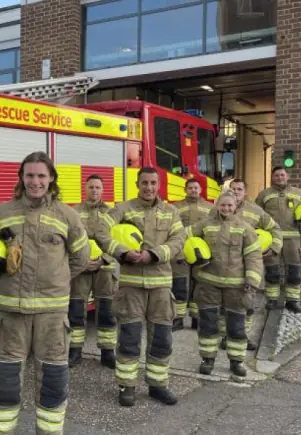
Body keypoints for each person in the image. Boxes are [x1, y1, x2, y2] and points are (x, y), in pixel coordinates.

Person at [0, 151, 90, 435]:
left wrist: (56, 277)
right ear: (21, 177)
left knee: (53, 384)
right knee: (5, 384)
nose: (35, 181)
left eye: (41, 175)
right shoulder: (0, 214)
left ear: (51, 178)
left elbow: (81, 257)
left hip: (52, 316)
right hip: (11, 315)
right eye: (30, 175)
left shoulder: (67, 215)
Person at [94, 166, 186, 407]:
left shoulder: (171, 212)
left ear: (159, 185)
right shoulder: (123, 209)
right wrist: (122, 252)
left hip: (161, 286)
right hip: (131, 286)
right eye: (144, 183)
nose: (149, 187)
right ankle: (127, 386)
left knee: (162, 339)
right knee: (129, 337)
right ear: (137, 184)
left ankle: (158, 385)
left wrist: (154, 255)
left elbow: (178, 241)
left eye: (153, 183)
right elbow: (101, 232)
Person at [186, 190, 264, 377]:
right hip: (208, 285)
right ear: (217, 205)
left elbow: (254, 256)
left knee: (236, 327)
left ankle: (236, 362)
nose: (226, 208)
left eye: (230, 205)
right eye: (223, 205)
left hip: (236, 287)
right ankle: (207, 360)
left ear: (235, 206)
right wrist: (188, 255)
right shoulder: (205, 224)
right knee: (208, 325)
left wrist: (252, 280)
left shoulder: (245, 228)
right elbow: (183, 237)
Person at [214, 178, 283, 351]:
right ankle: (225, 336)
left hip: (249, 266)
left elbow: (275, 228)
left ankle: (243, 336)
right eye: (233, 188)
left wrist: (274, 248)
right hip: (225, 267)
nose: (236, 192)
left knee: (249, 304)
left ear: (245, 192)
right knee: (224, 305)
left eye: (239, 189)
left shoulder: (256, 211)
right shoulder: (218, 209)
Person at [255, 167, 301, 313]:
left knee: (294, 270)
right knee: (272, 271)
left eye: (282, 175)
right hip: (272, 238)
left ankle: (292, 301)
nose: (279, 177)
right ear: (272, 177)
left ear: (287, 176)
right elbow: (256, 213)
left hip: (292, 239)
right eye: (276, 175)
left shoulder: (299, 193)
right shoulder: (264, 194)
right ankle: (272, 299)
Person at [67, 174, 118, 369]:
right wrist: (81, 262)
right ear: (85, 189)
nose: (94, 190)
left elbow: (118, 239)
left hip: (104, 267)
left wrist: (104, 259)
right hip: (81, 269)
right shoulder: (74, 212)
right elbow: (69, 239)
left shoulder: (112, 213)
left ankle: (107, 352)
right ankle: (75, 351)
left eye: (98, 187)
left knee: (107, 310)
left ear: (102, 190)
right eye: (91, 187)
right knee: (76, 310)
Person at [172, 178, 214, 331]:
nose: (193, 190)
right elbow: (172, 230)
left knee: (199, 285)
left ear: (200, 190)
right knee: (179, 285)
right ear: (185, 190)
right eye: (190, 188)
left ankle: (197, 319)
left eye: (196, 188)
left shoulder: (210, 208)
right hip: (180, 252)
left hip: (201, 253)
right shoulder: (175, 207)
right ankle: (178, 319)